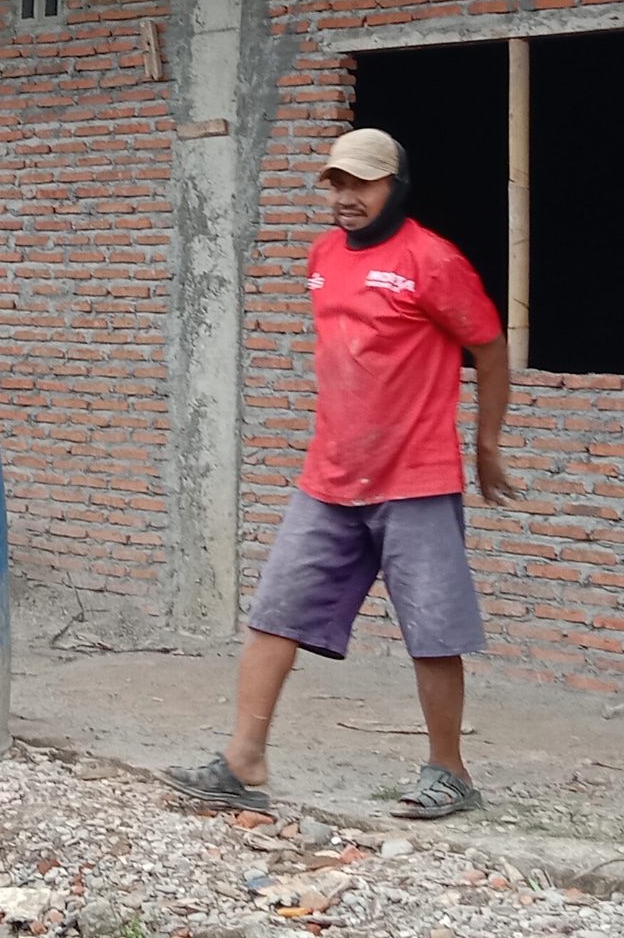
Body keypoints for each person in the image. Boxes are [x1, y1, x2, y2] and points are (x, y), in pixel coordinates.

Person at [164, 128, 515, 822]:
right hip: (329, 477)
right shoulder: (323, 255)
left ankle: (450, 772)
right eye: (336, 183)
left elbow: (491, 347)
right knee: (272, 615)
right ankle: (243, 760)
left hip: (415, 476)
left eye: (362, 183)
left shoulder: (432, 260)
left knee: (434, 633)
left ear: (396, 185)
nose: (346, 197)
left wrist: (487, 442)